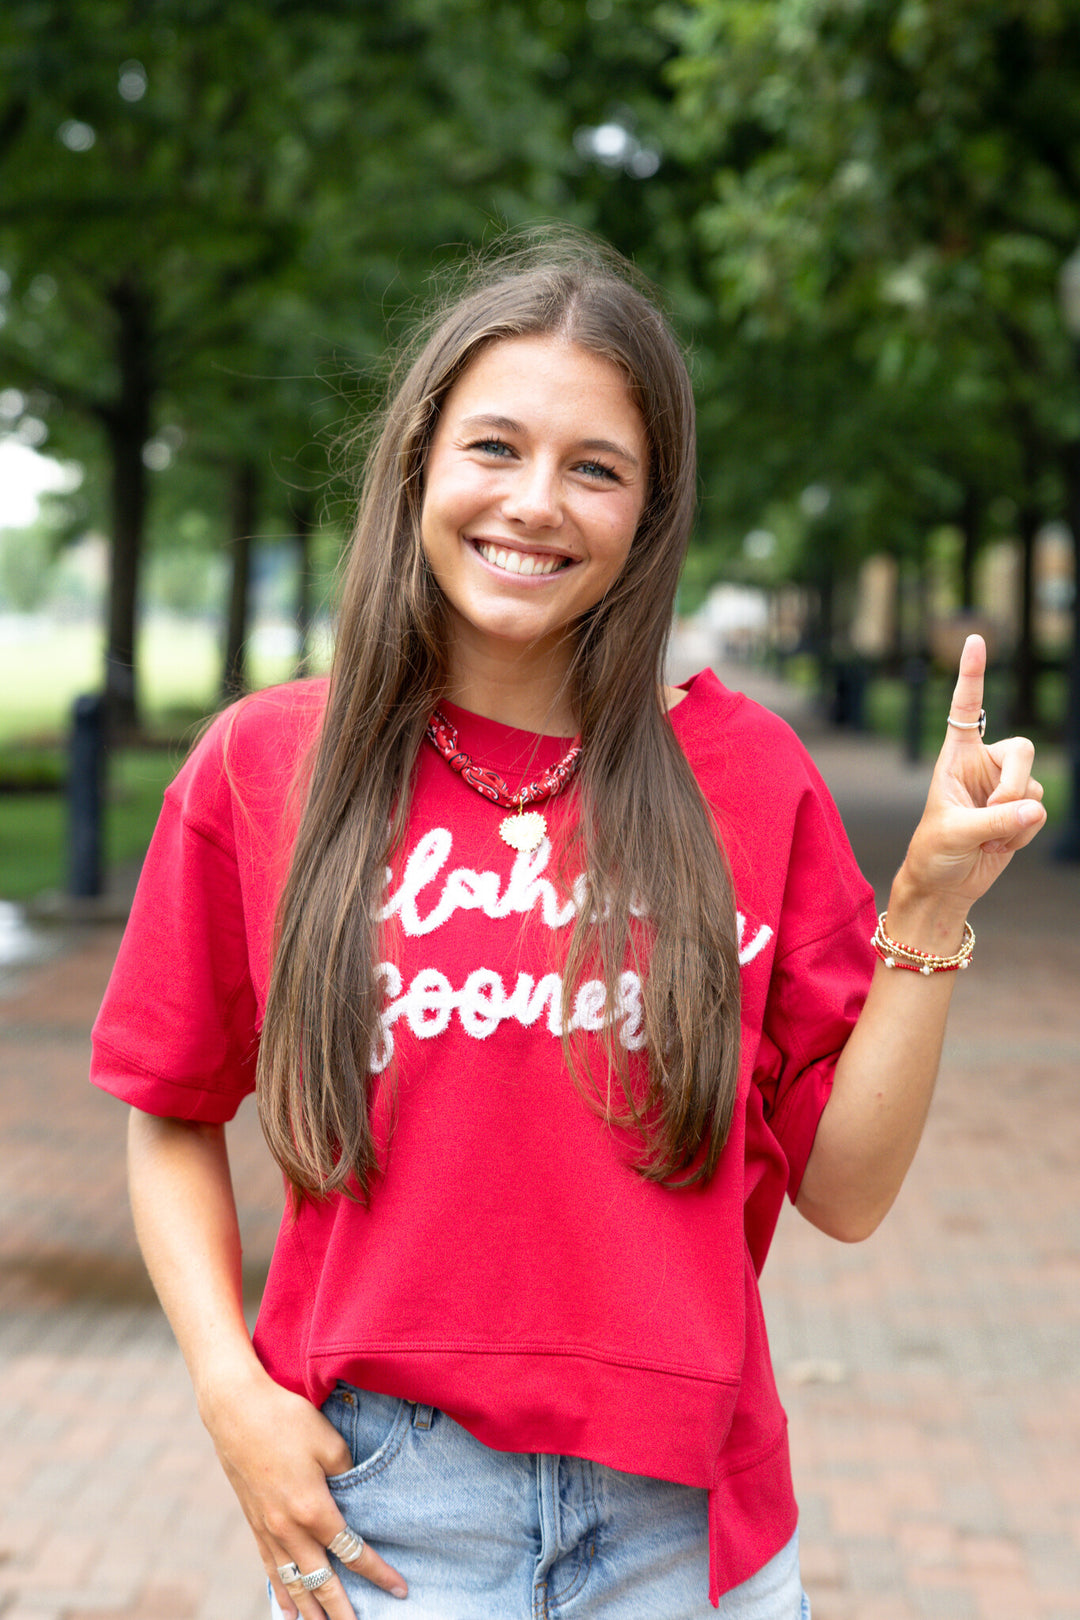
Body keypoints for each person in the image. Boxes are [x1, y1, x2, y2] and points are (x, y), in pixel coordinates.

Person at [90, 231, 1045, 1620]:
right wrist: (230, 1392)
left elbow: (844, 1192)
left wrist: (928, 912)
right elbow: (169, 1104)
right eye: (495, 448)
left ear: (649, 516)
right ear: (419, 460)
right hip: (387, 1503)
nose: (535, 503)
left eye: (595, 468)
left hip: (686, 1515)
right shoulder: (265, 764)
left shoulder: (749, 777)